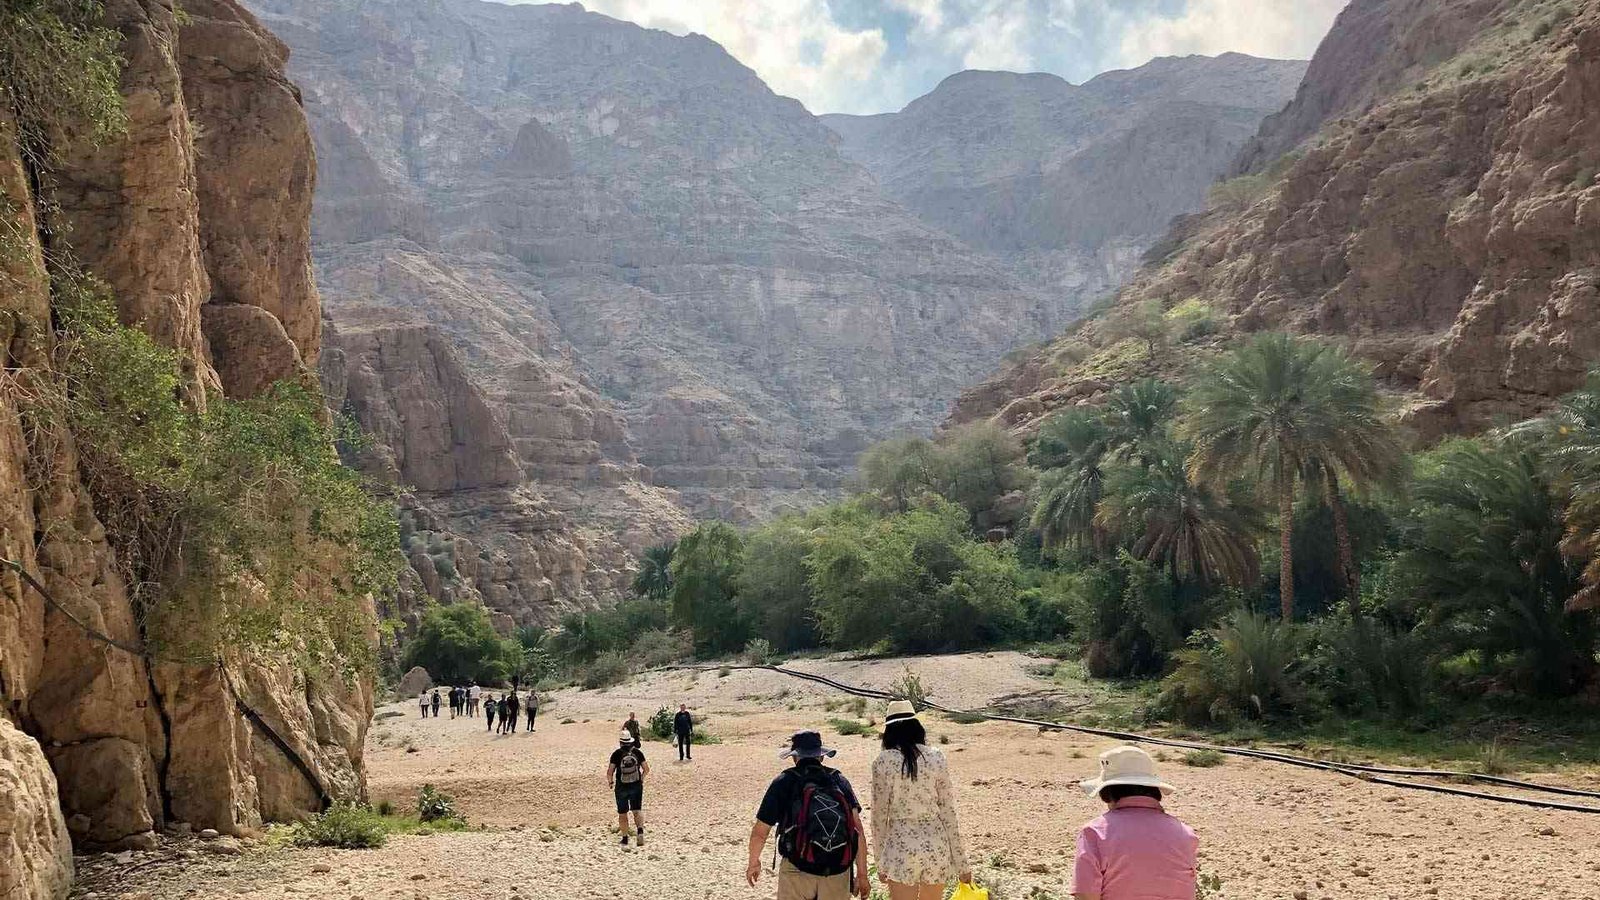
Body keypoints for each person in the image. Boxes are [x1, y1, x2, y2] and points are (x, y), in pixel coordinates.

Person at [746, 730, 869, 900]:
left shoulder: (784, 781)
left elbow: (761, 831)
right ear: (822, 756)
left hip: (797, 869)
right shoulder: (838, 779)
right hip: (837, 870)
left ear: (795, 757)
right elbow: (857, 831)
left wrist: (753, 862)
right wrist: (862, 875)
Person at [870, 701, 970, 899]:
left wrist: (880, 860)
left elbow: (879, 816)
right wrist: (962, 864)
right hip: (935, 842)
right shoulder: (936, 757)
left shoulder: (883, 761)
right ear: (917, 727)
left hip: (901, 845)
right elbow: (948, 811)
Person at [1072, 745, 1198, 900]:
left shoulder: (1094, 832)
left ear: (1106, 794)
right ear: (1154, 790)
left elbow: (1086, 896)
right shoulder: (1185, 833)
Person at [607, 729, 649, 846]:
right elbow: (646, 769)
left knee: (622, 813)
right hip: (636, 785)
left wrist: (610, 782)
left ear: (620, 742)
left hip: (621, 786)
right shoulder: (638, 752)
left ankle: (625, 838)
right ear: (630, 741)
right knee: (637, 810)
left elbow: (610, 772)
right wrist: (641, 778)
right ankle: (640, 831)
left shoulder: (616, 754)